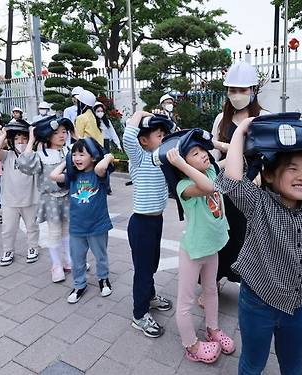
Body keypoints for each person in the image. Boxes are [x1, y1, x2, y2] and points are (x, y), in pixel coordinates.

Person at [216, 116, 302, 374]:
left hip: (297, 303)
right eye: (292, 168)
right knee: (252, 364)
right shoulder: (258, 203)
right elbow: (233, 181)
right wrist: (242, 130)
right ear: (268, 175)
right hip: (258, 300)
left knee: (292, 365)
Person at [165, 135, 235, 363]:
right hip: (193, 251)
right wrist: (180, 165)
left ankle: (212, 329)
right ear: (182, 163)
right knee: (185, 302)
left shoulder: (210, 171)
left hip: (211, 247)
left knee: (211, 291)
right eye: (195, 153)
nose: (203, 154)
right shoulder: (184, 186)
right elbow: (207, 188)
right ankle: (191, 345)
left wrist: (215, 145)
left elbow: (222, 166)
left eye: (202, 150)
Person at [209, 60, 270, 291]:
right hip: (225, 190)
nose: (236, 95)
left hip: (254, 193)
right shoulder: (220, 119)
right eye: (232, 90)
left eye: (242, 90)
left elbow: (270, 157)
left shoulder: (264, 118)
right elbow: (213, 160)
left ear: (253, 91)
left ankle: (251, 288)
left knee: (249, 240)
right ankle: (211, 285)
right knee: (221, 237)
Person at [123, 111, 174, 338]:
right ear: (144, 140)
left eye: (164, 134)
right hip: (141, 223)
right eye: (159, 135)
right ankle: (139, 314)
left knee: (152, 264)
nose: (163, 138)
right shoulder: (139, 157)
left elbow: (178, 139)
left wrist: (167, 124)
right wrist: (142, 114)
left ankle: (150, 297)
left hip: (156, 220)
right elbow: (127, 138)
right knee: (143, 270)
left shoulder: (162, 159)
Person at [50, 137, 115, 303]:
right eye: (74, 155)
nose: (76, 158)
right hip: (77, 227)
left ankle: (103, 279)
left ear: (92, 156)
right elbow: (53, 175)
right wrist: (67, 162)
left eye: (81, 154)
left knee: (101, 256)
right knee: (77, 259)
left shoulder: (99, 174)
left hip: (98, 225)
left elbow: (100, 166)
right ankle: (79, 284)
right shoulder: (72, 177)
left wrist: (107, 157)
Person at [18, 117, 73, 282]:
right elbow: (25, 165)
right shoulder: (41, 155)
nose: (62, 136)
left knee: (68, 231)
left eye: (64, 132)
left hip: (68, 197)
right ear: (48, 135)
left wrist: (75, 134)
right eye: (57, 133)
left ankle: (70, 260)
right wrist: (32, 139)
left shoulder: (69, 150)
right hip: (51, 199)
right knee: (54, 232)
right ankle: (56, 265)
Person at [0, 120, 41, 266]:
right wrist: (5, 133)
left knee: (32, 227)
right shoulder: (7, 155)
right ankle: (8, 250)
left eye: (24, 139)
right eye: (17, 139)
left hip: (30, 199)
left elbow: (28, 157)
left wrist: (32, 138)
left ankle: (33, 248)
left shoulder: (34, 156)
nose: (21, 142)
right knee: (8, 229)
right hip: (10, 201)